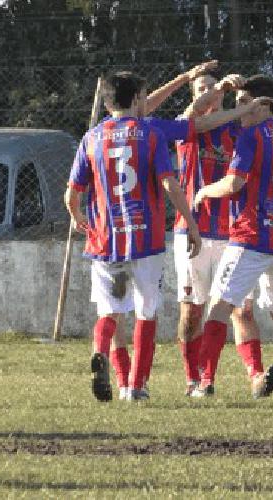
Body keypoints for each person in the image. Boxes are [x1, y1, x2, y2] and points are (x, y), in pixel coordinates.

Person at [64, 70, 202, 402]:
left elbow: (71, 194)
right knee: (146, 311)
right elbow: (169, 184)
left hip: (104, 239)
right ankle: (136, 386)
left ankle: (100, 351)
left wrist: (78, 216)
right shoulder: (150, 134)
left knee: (110, 313)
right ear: (138, 99)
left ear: (107, 101)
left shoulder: (91, 138)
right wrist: (191, 223)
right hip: (145, 239)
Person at [139, 64, 265, 397]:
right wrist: (219, 88)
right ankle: (193, 379)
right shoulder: (186, 129)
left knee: (240, 308)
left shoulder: (239, 130)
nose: (207, 93)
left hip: (232, 234)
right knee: (192, 310)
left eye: (211, 88)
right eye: (200, 89)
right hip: (191, 232)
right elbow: (193, 112)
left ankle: (256, 376)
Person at [192, 75, 273, 399]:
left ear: (264, 105)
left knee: (219, 305)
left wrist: (203, 192)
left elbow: (234, 184)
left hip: (251, 235)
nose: (238, 109)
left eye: (244, 102)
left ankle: (204, 383)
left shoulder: (251, 136)